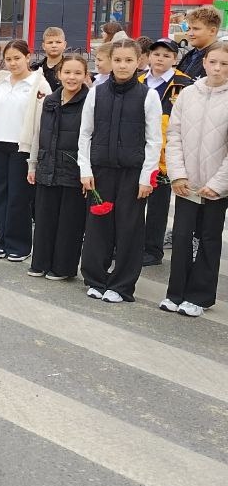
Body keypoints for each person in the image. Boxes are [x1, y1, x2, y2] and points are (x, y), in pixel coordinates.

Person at [79, 37, 162, 302]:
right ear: (110, 62)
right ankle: (95, 278)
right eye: (117, 60)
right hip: (100, 171)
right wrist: (85, 169)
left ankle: (121, 285)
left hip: (132, 173)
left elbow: (154, 140)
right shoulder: (96, 92)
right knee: (98, 226)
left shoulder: (148, 96)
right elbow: (85, 133)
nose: (122, 65)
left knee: (129, 229)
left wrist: (147, 176)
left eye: (128, 60)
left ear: (139, 61)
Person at [161, 43, 228, 316]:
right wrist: (177, 174)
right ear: (205, 62)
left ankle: (200, 296)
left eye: (224, 64)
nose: (217, 68)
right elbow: (174, 136)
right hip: (186, 183)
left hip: (216, 186)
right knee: (181, 236)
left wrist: (218, 184)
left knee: (209, 238)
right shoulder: (188, 94)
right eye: (213, 62)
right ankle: (175, 292)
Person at [0, 39, 50, 261]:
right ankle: (2, 240)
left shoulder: (39, 84)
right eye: (8, 59)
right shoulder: (0, 82)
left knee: (18, 197)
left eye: (17, 58)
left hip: (22, 147)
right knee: (0, 195)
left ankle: (19, 244)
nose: (13, 63)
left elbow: (43, 122)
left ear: (28, 57)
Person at [27, 52, 89, 280]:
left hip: (74, 169)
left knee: (69, 222)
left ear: (85, 75)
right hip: (47, 165)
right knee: (44, 218)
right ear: (59, 74)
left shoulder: (89, 102)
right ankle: (40, 263)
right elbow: (38, 134)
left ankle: (63, 268)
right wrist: (33, 164)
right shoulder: (50, 100)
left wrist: (87, 172)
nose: (72, 77)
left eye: (77, 73)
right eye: (67, 72)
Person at [140, 38, 191, 266]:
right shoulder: (138, 80)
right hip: (138, 151)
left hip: (165, 156)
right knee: (134, 203)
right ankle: (130, 245)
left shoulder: (184, 84)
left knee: (158, 207)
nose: (160, 59)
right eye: (156, 54)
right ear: (149, 56)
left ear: (175, 59)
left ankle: (152, 250)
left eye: (166, 55)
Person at [179, 5, 223, 80]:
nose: (190, 33)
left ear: (212, 31)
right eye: (189, 29)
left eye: (196, 29)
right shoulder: (190, 55)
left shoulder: (220, 59)